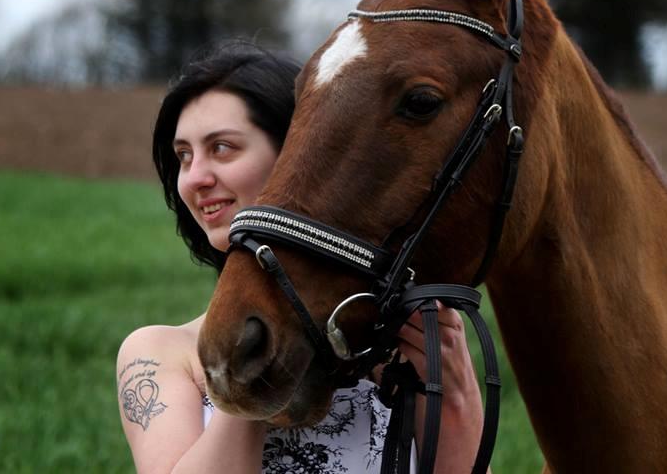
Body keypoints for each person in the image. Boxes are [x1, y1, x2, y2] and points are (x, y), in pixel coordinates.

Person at [117, 44, 488, 474]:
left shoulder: (403, 350)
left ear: (298, 156)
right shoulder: (159, 353)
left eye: (221, 148)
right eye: (184, 155)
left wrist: (455, 392)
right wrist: (252, 357)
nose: (196, 177)